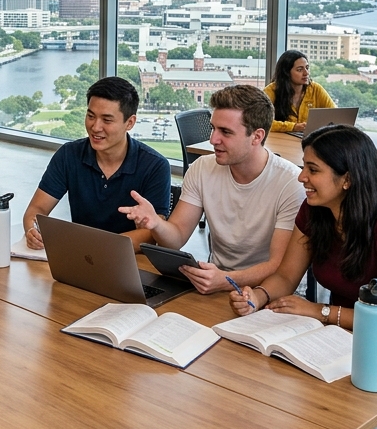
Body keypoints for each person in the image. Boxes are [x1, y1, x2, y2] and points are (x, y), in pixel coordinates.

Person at [228, 124, 377, 429]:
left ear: (347, 180)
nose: (301, 177)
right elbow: (287, 275)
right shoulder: (316, 211)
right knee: (269, 379)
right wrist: (257, 295)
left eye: (313, 169)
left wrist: (318, 312)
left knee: (331, 410)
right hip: (339, 333)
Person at [118, 85, 305, 293]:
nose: (213, 140)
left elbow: (278, 265)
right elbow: (176, 237)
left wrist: (226, 279)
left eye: (225, 132)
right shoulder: (202, 168)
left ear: (257, 136)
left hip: (268, 290)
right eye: (213, 128)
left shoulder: (290, 183)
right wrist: (155, 225)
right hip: (213, 283)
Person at [23, 76, 171, 252]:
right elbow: (37, 209)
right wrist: (33, 229)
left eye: (107, 120)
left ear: (130, 122)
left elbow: (153, 233)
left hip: (130, 261)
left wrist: (97, 246)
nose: (95, 127)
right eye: (90, 116)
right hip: (82, 258)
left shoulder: (155, 166)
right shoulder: (69, 154)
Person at [264, 50, 335, 133]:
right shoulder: (271, 90)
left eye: (307, 68)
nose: (306, 73)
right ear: (286, 73)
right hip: (279, 141)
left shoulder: (315, 89)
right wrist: (293, 127)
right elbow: (261, 122)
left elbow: (335, 116)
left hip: (307, 139)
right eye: (300, 69)